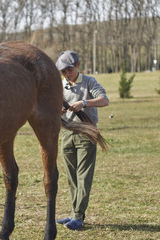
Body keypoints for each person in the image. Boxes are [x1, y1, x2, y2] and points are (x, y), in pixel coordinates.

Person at [55, 50, 109, 230]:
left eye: (69, 70)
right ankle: (74, 213)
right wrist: (60, 111)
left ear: (77, 65)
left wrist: (84, 103)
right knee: (71, 177)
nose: (66, 74)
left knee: (83, 176)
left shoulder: (89, 81)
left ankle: (78, 216)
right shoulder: (61, 85)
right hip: (67, 133)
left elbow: (104, 100)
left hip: (86, 133)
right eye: (63, 71)